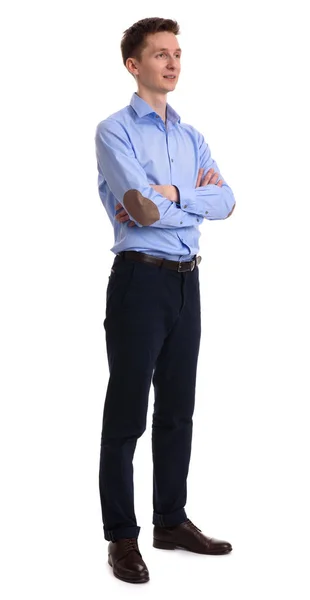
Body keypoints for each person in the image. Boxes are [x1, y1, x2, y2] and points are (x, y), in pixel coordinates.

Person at [94, 17, 236, 584]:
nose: (173, 62)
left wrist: (173, 194)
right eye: (160, 54)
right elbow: (137, 209)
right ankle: (122, 538)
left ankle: (170, 521)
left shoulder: (191, 136)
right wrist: (184, 202)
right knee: (127, 415)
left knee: (178, 410)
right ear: (134, 65)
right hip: (140, 281)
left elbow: (227, 199)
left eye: (177, 53)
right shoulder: (114, 131)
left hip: (186, 279)